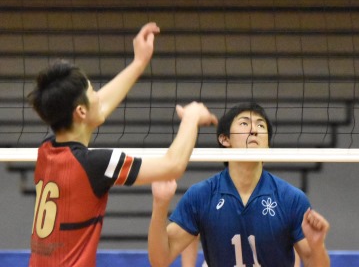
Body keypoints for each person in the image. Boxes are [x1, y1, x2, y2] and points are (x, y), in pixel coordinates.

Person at [28, 22, 218, 267]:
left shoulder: (46, 151)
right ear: (81, 111)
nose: (99, 96)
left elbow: (98, 107)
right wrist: (191, 118)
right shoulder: (96, 164)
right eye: (93, 91)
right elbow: (173, 166)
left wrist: (139, 62)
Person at [148, 102, 331, 267]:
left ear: (268, 146)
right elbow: (160, 260)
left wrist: (317, 246)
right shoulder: (201, 195)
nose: (254, 130)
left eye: (261, 125)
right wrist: (160, 203)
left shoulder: (291, 199)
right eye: (244, 123)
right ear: (224, 139)